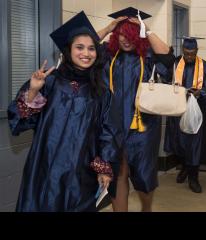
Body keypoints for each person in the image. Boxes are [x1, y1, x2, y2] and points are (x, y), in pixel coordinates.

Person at [7, 12, 121, 212]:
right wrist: (33, 89)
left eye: (91, 48)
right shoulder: (50, 82)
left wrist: (104, 168)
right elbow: (21, 120)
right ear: (68, 50)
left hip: (80, 171)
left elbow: (108, 131)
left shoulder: (101, 91)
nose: (86, 53)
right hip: (45, 166)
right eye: (79, 47)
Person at [97, 7, 175, 212]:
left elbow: (168, 57)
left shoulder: (148, 57)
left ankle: (146, 209)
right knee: (117, 173)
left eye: (130, 34)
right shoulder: (107, 56)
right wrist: (109, 27)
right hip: (111, 126)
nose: (125, 39)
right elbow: (81, 47)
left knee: (143, 174)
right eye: (121, 34)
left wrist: (146, 29)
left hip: (143, 127)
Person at [164, 36, 206, 193]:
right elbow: (165, 84)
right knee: (178, 144)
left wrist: (201, 93)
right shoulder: (174, 64)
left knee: (193, 146)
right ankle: (185, 167)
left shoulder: (205, 67)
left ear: (197, 51)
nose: (189, 57)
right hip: (176, 112)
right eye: (186, 53)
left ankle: (193, 178)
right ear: (182, 51)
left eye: (192, 53)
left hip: (195, 112)